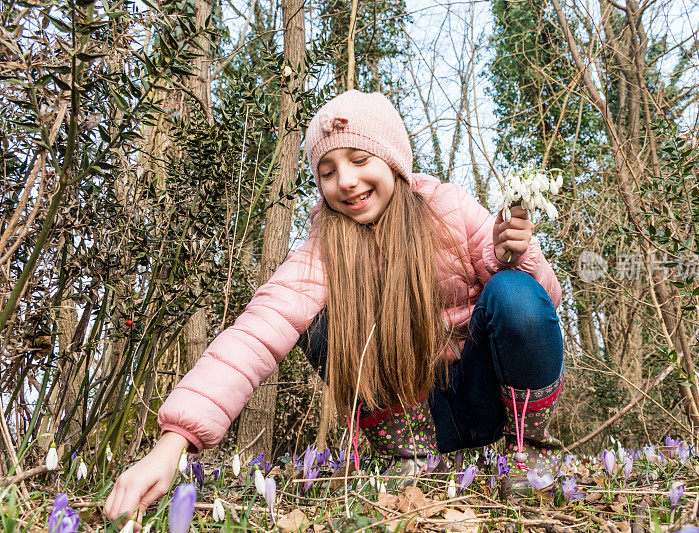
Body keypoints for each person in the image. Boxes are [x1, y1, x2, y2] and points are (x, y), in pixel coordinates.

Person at [103, 90, 564, 526]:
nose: (345, 180)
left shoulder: (449, 209)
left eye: (359, 160)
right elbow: (255, 333)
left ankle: (534, 453)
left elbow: (540, 306)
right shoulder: (323, 250)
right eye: (327, 171)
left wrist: (517, 257)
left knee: (512, 289)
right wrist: (173, 443)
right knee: (317, 321)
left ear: (394, 162)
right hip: (412, 410)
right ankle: (411, 458)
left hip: (490, 396)